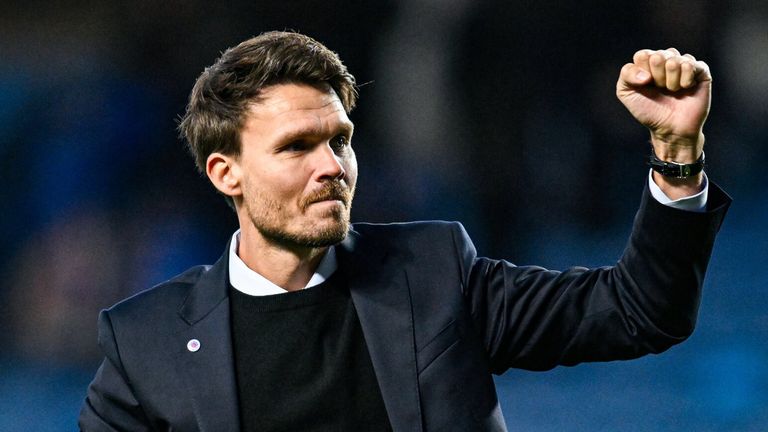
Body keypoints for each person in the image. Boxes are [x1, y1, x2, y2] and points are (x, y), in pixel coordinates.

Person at [79, 31, 730, 431]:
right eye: (297, 146)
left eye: (340, 141)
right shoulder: (147, 344)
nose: (332, 167)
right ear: (227, 173)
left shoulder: (434, 272)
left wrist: (678, 154)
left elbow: (641, 312)